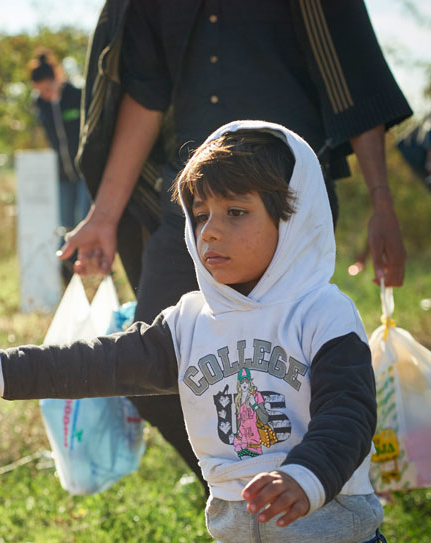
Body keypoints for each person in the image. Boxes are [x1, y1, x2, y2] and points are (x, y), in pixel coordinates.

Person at [0, 121, 395, 543]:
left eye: (236, 212)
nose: (210, 232)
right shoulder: (189, 321)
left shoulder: (323, 314)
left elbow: (349, 415)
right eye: (201, 213)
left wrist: (305, 476)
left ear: (292, 220)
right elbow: (93, 363)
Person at [64, 0, 413, 488]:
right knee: (150, 374)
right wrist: (102, 217)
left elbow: (352, 74)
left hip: (279, 205)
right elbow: (144, 96)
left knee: (290, 371)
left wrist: (382, 202)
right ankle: (241, 501)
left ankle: (310, 492)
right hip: (190, 200)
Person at [28, 50, 91, 259]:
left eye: (47, 88)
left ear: (57, 79)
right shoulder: (40, 104)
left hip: (83, 172)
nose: (44, 94)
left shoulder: (76, 96)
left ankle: (92, 264)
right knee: (64, 224)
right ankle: (68, 268)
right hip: (62, 175)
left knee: (84, 220)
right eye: (39, 91)